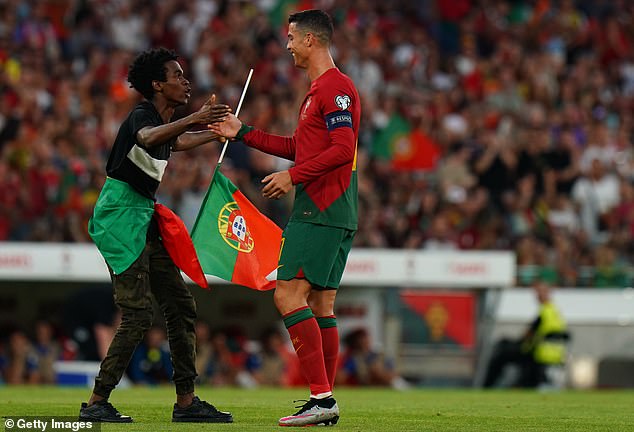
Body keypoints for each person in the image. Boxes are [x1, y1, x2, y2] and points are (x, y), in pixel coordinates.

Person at [210, 9, 359, 427]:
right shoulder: (319, 90)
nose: (288, 45)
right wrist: (243, 133)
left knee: (287, 295)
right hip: (337, 209)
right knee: (321, 302)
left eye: (292, 38)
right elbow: (302, 147)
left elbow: (343, 149)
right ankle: (325, 398)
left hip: (321, 209)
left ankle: (320, 398)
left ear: (311, 40)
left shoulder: (335, 89)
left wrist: (292, 178)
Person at [79, 47, 233, 423]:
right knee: (137, 313)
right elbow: (148, 138)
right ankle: (97, 402)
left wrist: (217, 133)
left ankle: (186, 403)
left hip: (142, 215)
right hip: (119, 217)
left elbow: (174, 143)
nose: (185, 81)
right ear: (156, 84)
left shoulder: (164, 123)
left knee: (180, 305)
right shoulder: (141, 117)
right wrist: (197, 117)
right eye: (177, 75)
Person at [484, 280, 569, 388]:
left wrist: (521, 340)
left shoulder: (545, 312)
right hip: (554, 353)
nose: (537, 295)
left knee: (501, 354)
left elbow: (529, 334)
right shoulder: (554, 311)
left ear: (547, 293)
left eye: (540, 292)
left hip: (540, 353)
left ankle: (487, 385)